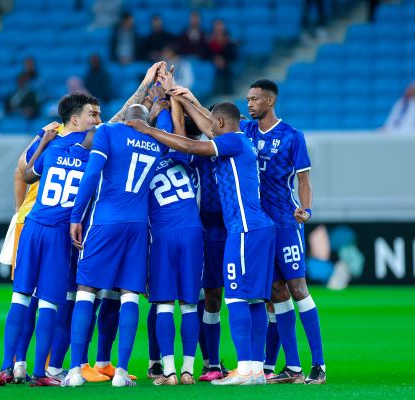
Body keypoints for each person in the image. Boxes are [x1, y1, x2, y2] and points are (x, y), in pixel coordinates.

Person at [126, 100, 276, 386]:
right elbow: (200, 131)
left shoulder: (230, 141)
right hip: (257, 227)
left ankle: (243, 368)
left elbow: (191, 145)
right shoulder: (243, 141)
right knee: (255, 299)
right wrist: (182, 97)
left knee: (233, 297)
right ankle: (256, 369)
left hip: (242, 229)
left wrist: (148, 127)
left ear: (219, 124)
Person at [64, 63, 167, 388]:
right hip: (139, 227)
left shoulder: (108, 132)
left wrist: (76, 217)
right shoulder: (157, 143)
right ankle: (121, 372)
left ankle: (75, 372)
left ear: (125, 118)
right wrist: (163, 94)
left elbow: (92, 176)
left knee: (86, 291)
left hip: (106, 221)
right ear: (146, 120)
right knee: (130, 296)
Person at [0, 93, 100, 387]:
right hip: (57, 233)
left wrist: (41, 142)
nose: (97, 121)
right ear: (75, 120)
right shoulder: (91, 154)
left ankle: (6, 367)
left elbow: (25, 175)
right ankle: (41, 373)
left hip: (32, 227)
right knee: (51, 304)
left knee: (20, 297)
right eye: (92, 115)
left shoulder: (52, 147)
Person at [242, 79, 325, 384]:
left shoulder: (292, 137)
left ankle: (319, 364)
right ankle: (293, 367)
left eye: (254, 99)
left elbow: (304, 180)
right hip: (259, 225)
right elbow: (214, 122)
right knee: (276, 292)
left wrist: (307, 209)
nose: (249, 104)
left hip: (286, 223)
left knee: (298, 287)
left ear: (270, 101)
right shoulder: (246, 131)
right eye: (248, 99)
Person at [146, 100, 203, 386]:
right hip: (193, 232)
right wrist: (171, 103)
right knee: (190, 305)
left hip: (163, 235)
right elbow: (178, 132)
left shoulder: (143, 164)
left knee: (164, 304)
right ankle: (188, 371)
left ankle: (167, 371)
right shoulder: (185, 155)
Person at [208, 20, 237, 95]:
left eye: (220, 25)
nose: (218, 28)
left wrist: (223, 60)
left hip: (227, 60)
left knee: (227, 69)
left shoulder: (228, 38)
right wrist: (215, 58)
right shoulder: (210, 38)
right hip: (213, 61)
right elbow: (207, 51)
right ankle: (215, 92)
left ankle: (228, 92)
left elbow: (232, 53)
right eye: (216, 26)